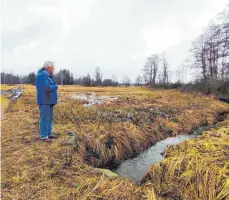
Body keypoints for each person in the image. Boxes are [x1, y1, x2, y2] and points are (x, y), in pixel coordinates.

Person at [36, 61, 58, 142]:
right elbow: (47, 88)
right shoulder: (42, 75)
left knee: (49, 118)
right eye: (53, 67)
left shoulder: (47, 76)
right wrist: (55, 87)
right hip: (44, 100)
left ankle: (49, 134)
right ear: (48, 67)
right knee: (44, 118)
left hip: (49, 101)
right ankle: (44, 136)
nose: (54, 69)